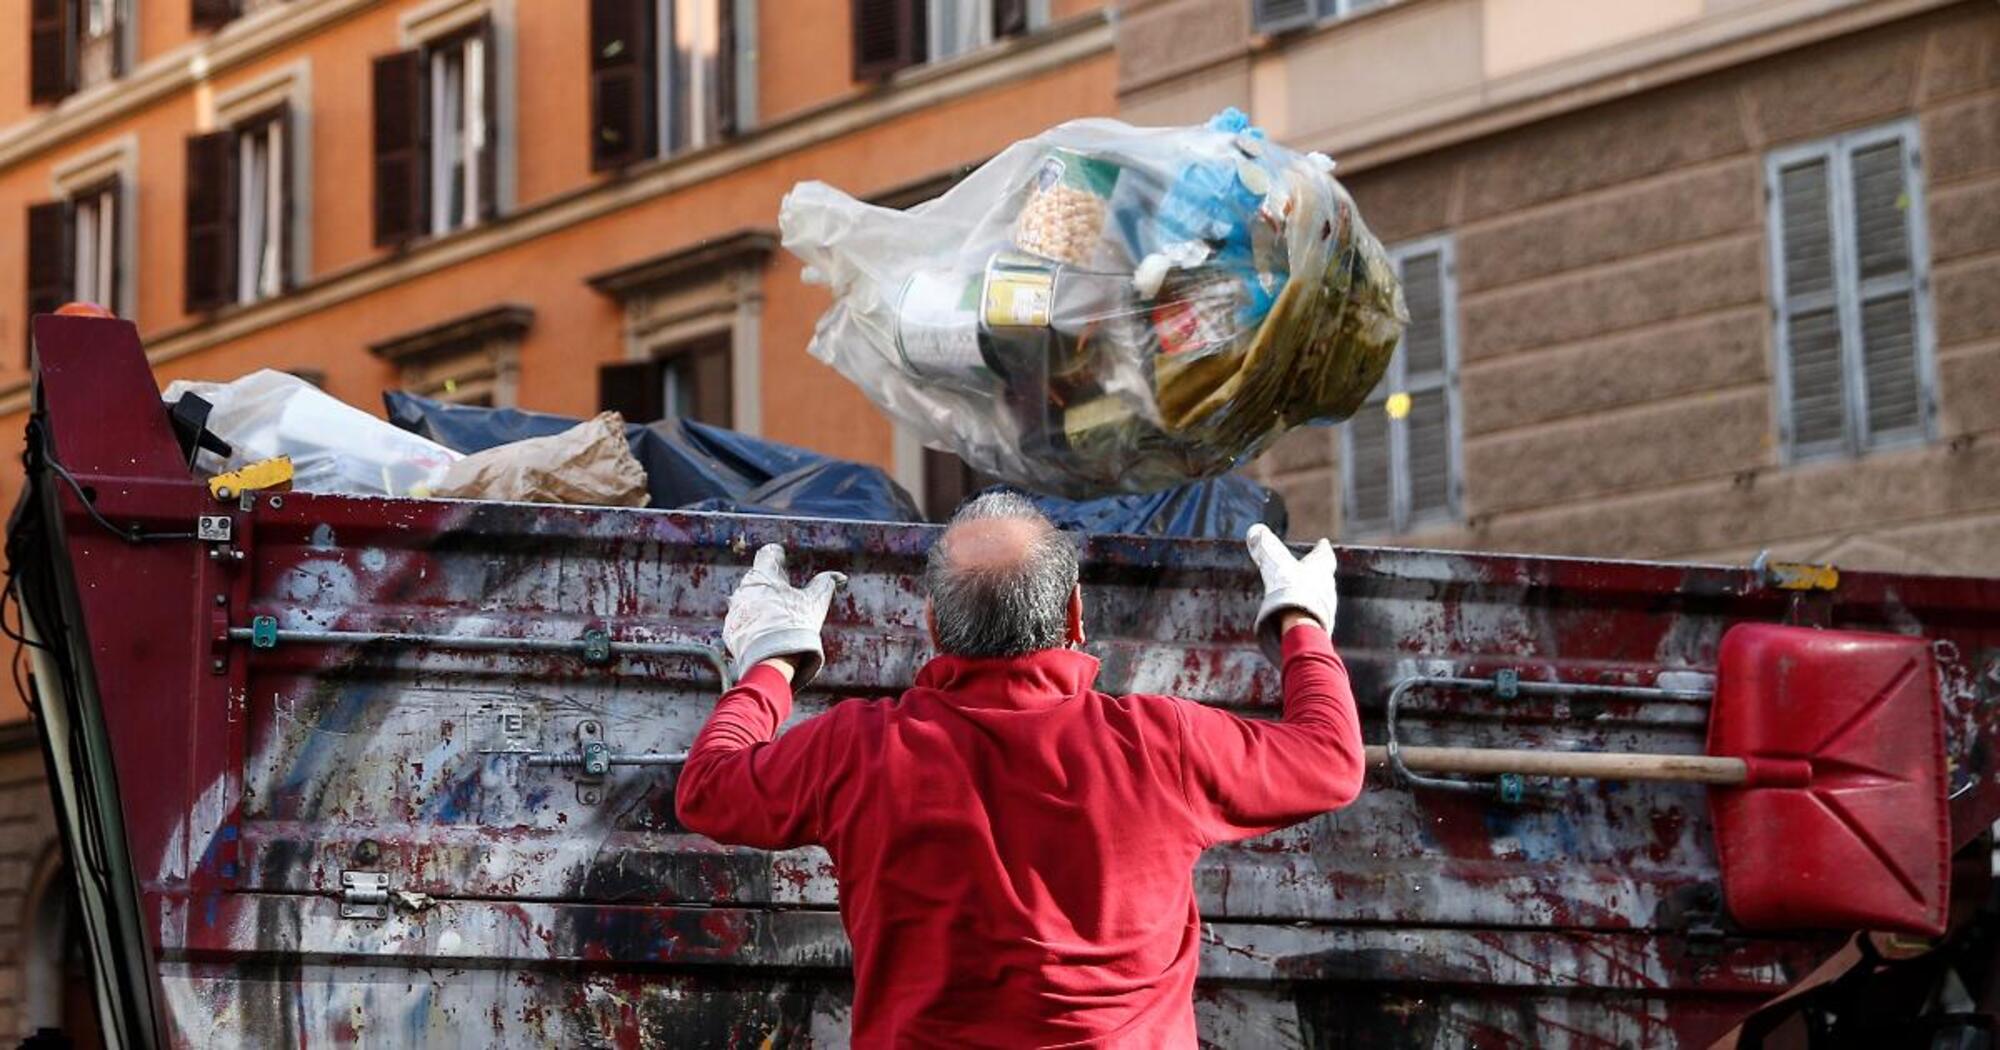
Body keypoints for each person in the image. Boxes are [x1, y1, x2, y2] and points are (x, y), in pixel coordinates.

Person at [675, 491, 1365, 1048]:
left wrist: (774, 658)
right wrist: (1300, 619)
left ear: (934, 627)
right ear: (1075, 616)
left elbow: (707, 789)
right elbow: (1332, 759)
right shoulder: (1161, 745)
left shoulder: (857, 750)